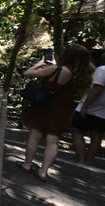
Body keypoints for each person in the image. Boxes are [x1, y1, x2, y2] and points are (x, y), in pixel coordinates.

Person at [16, 45, 92, 181]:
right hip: (63, 110)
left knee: (34, 137)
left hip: (45, 107)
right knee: (53, 141)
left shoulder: (56, 70)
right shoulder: (82, 76)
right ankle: (43, 171)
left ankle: (27, 164)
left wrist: (42, 62)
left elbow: (28, 73)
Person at [71, 49, 105, 165]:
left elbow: (96, 90)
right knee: (96, 135)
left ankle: (81, 159)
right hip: (103, 111)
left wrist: (85, 106)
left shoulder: (102, 70)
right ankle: (88, 161)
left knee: (77, 130)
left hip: (91, 108)